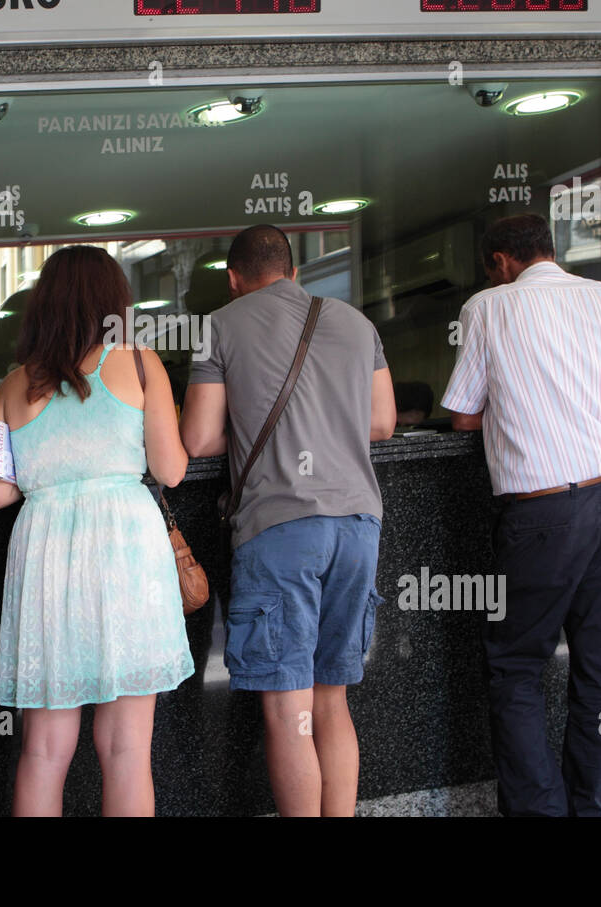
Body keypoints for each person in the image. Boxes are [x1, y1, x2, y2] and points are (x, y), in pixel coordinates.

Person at [440, 213, 601, 818]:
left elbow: (463, 414)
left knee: (515, 667)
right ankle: (590, 807)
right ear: (550, 250)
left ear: (499, 262)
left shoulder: (489, 307)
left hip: (543, 512)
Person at [180, 224, 396, 817]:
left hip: (280, 528)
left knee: (289, 712)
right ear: (295, 271)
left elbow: (197, 438)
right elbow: (382, 422)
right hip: (357, 525)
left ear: (233, 280)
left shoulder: (222, 325)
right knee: (331, 703)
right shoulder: (357, 323)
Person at [0, 246, 194, 817]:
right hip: (127, 557)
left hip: (47, 558)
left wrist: (51, 471)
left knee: (44, 751)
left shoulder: (15, 387)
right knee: (125, 749)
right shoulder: (141, 364)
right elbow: (170, 469)